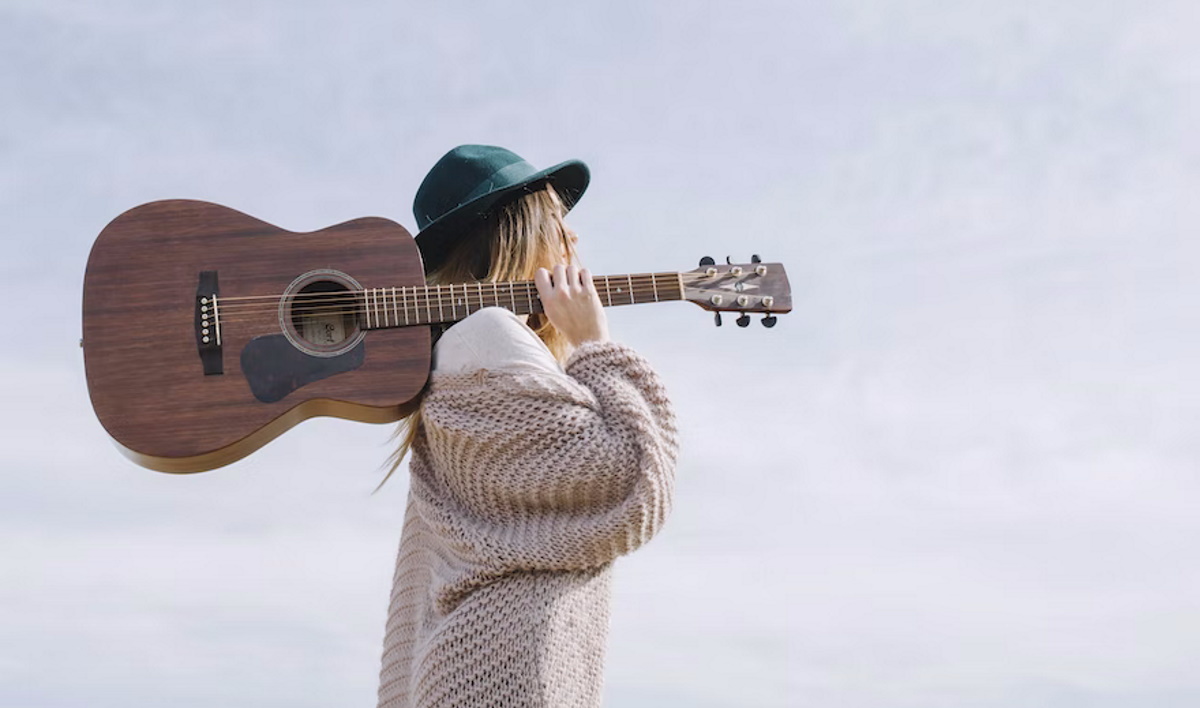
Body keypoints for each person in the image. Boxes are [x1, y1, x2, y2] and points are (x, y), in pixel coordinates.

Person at [375, 145, 679, 708]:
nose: (575, 241)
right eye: (560, 221)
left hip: (472, 668)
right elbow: (631, 480)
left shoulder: (452, 358)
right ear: (521, 230)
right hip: (506, 671)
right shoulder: (489, 334)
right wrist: (594, 342)